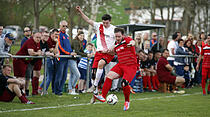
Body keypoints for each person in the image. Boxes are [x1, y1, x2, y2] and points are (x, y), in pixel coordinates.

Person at [93, 28, 137, 111]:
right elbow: (114, 52)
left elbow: (133, 42)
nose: (117, 38)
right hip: (121, 65)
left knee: (124, 83)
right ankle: (103, 96)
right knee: (109, 76)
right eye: (116, 36)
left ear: (123, 35)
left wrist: (131, 44)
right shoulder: (116, 44)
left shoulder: (127, 40)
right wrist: (105, 51)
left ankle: (127, 101)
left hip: (131, 66)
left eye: (119, 36)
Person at [76, 6, 116, 95]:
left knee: (101, 64)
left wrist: (112, 47)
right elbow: (88, 20)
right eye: (104, 22)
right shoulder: (99, 26)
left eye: (106, 23)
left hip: (108, 53)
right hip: (99, 52)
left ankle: (94, 85)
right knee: (93, 73)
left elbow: (118, 40)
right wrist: (80, 11)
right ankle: (96, 90)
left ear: (110, 21)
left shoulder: (114, 29)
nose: (105, 24)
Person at [54, 20, 76, 95]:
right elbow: (60, 47)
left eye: (66, 26)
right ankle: (56, 90)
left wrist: (72, 52)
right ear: (60, 26)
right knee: (59, 75)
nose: (65, 27)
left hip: (67, 58)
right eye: (63, 26)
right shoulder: (59, 34)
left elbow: (68, 47)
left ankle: (60, 90)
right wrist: (69, 53)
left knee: (64, 75)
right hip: (61, 58)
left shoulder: (66, 35)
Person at [39, 29, 59, 93]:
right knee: (49, 76)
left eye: (47, 36)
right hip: (46, 59)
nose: (46, 37)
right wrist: (50, 53)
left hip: (48, 59)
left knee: (47, 76)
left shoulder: (46, 42)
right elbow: (50, 52)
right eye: (45, 36)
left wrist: (57, 43)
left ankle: (40, 88)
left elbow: (55, 52)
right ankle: (44, 90)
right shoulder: (44, 42)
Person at [21, 27, 33, 96]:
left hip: (31, 61)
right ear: (24, 33)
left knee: (29, 77)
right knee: (26, 77)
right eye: (25, 31)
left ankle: (27, 91)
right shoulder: (24, 40)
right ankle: (24, 91)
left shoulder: (31, 40)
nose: (27, 32)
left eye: (28, 30)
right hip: (25, 61)